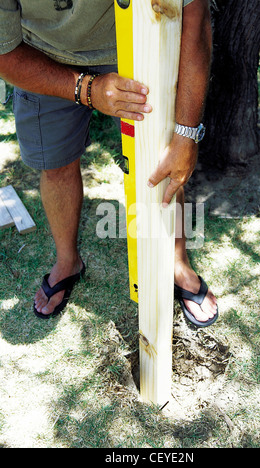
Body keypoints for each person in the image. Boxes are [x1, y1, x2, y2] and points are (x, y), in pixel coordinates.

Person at [0, 0, 218, 326]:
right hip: (41, 54)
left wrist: (186, 135)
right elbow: (4, 54)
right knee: (55, 165)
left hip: (138, 41)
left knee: (161, 166)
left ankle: (176, 262)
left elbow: (193, 9)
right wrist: (86, 90)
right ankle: (67, 261)